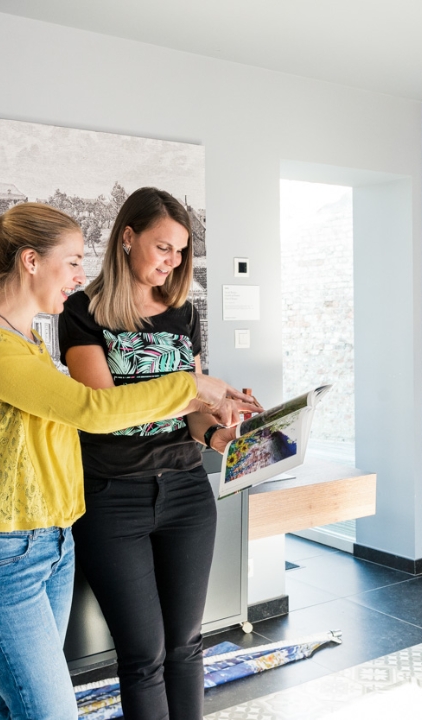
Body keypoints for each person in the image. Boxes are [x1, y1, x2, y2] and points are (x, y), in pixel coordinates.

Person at [0, 202, 257, 720]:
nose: (78, 275)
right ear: (31, 261)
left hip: (51, 540)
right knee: (51, 710)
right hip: (2, 550)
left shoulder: (28, 341)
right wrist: (191, 385)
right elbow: (94, 411)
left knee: (20, 708)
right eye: (71, 262)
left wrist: (213, 422)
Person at [59, 187, 252, 720]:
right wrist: (197, 389)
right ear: (127, 237)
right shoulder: (81, 312)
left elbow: (193, 413)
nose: (173, 261)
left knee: (186, 644)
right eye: (163, 247)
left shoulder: (184, 313)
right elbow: (105, 410)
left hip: (187, 490)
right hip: (111, 498)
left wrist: (216, 432)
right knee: (144, 656)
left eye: (181, 251)